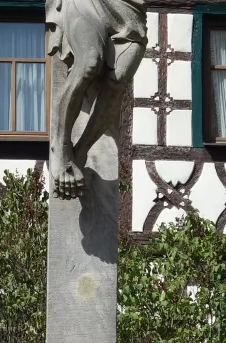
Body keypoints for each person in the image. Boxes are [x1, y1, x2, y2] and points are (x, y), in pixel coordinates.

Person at [46, 0, 147, 199]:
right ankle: (60, 148)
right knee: (89, 62)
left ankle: (82, 149)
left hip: (130, 9)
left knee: (119, 80)